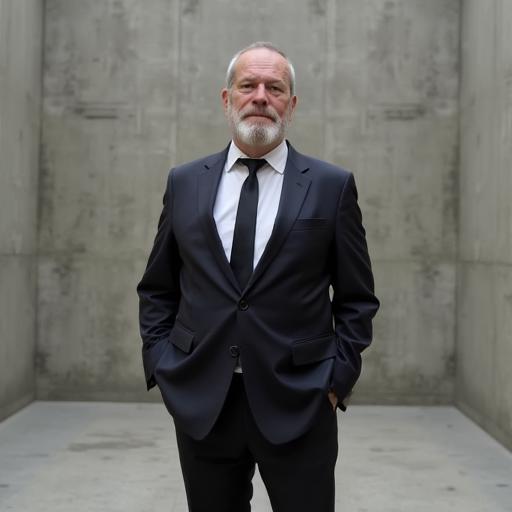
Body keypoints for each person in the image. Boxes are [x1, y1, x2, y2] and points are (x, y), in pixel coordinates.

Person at [137, 41, 379, 512]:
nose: (261, 96)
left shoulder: (331, 186)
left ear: (292, 102)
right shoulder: (184, 182)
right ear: (227, 99)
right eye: (248, 85)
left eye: (275, 87)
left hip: (300, 400)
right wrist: (161, 364)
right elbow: (158, 286)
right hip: (202, 399)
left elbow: (357, 298)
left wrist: (335, 381)